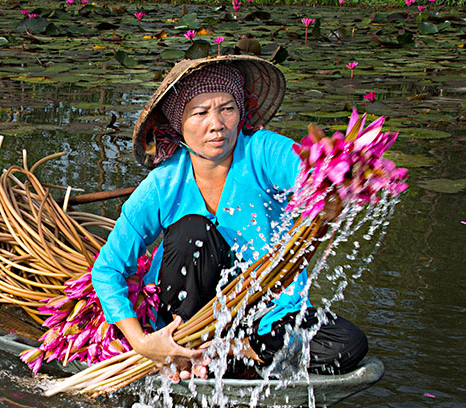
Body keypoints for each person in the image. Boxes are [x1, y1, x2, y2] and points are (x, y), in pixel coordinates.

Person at [91, 56, 368, 382]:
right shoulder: (163, 184)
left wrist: (332, 179)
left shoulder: (262, 151)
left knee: (347, 343)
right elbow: (108, 270)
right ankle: (186, 353)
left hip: (259, 318)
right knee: (193, 230)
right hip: (185, 320)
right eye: (200, 113)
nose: (216, 124)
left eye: (227, 108)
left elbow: (305, 169)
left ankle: (225, 353)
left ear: (241, 114)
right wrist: (142, 343)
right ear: (179, 125)